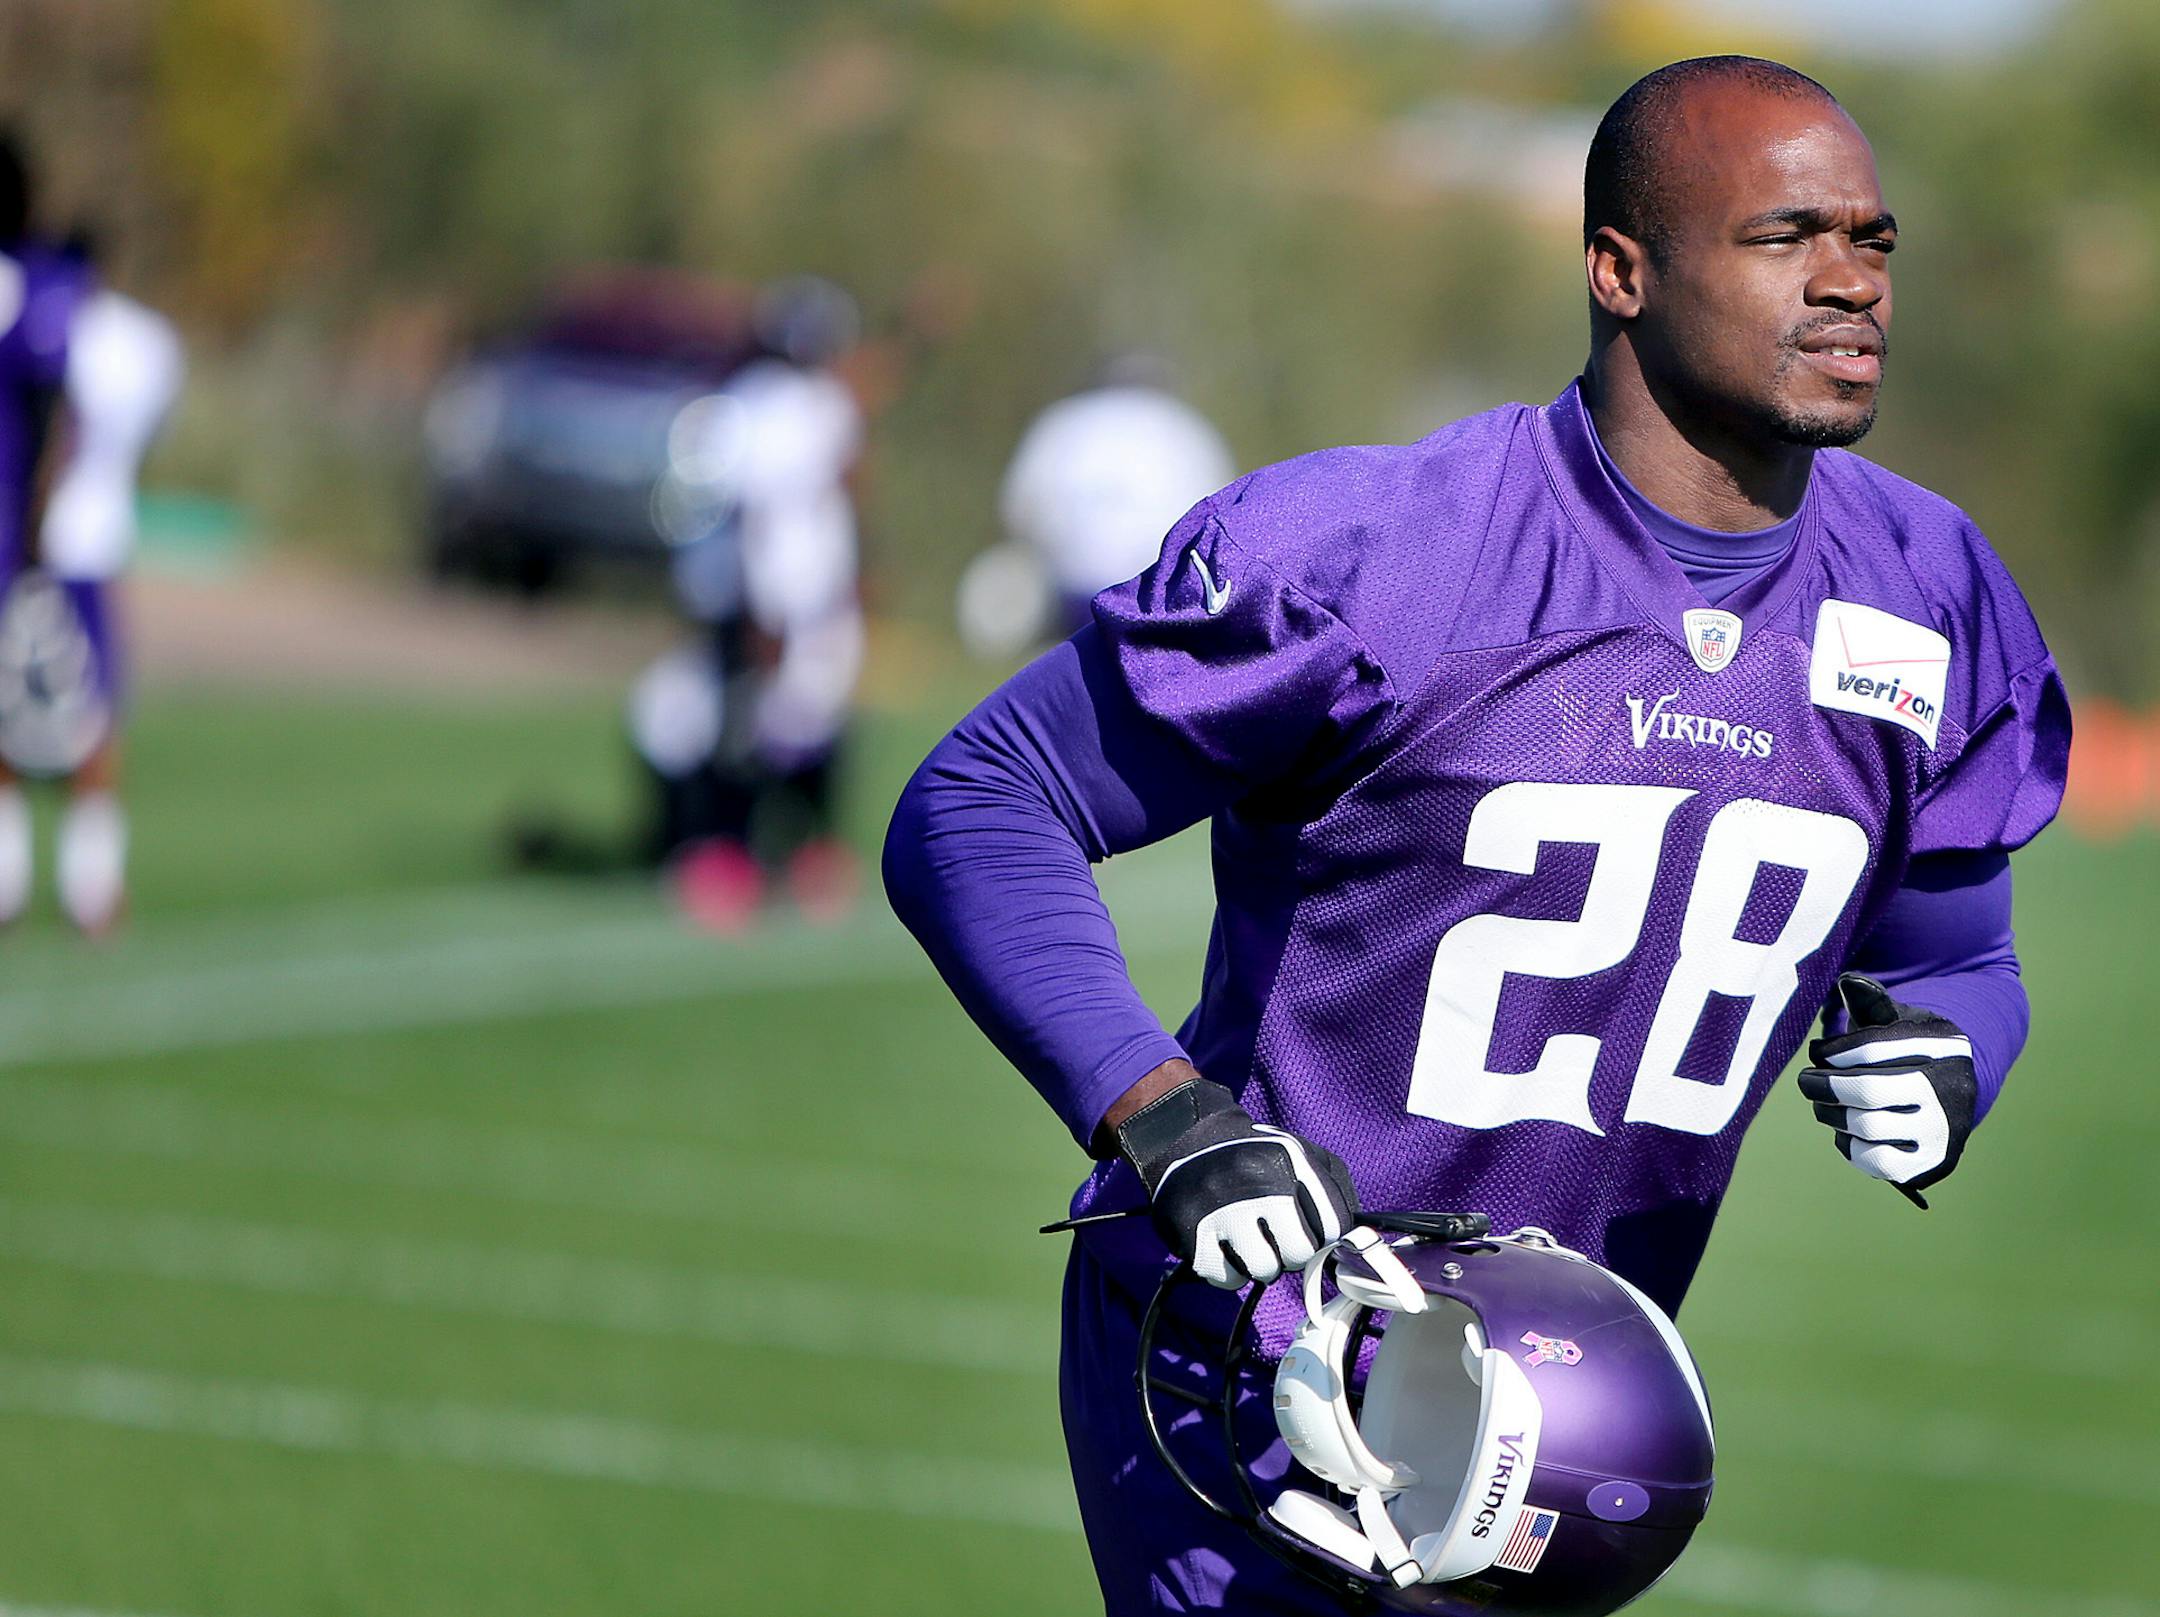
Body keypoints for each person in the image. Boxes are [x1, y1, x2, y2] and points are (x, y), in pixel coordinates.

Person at [883, 56, 2068, 1615]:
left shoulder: (1926, 586)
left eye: (1874, 239)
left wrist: (1957, 1055)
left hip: (1561, 1404)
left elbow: (1964, 959)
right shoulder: (1389, 556)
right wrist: (1164, 1114)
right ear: (1620, 270)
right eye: (1787, 237)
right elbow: (982, 799)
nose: (1851, 284)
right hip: (1260, 1358)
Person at [632, 276, 866, 926]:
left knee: (785, 724)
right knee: (757, 726)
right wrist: (768, 608)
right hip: (773, 601)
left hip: (761, 597)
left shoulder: (742, 403)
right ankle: (744, 861)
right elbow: (761, 513)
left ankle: (775, 858)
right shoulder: (791, 408)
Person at [0, 137, 109, 932]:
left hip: (18, 548)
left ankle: (76, 889)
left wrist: (35, 531)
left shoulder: (37, 287)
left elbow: (52, 417)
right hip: (23, 544)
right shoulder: (43, 288)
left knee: (60, 717)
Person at [961, 357, 1236, 659]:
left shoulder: (1062, 422)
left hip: (1074, 593)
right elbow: (1223, 517)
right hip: (1162, 593)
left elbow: (1018, 512)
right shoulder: (1183, 425)